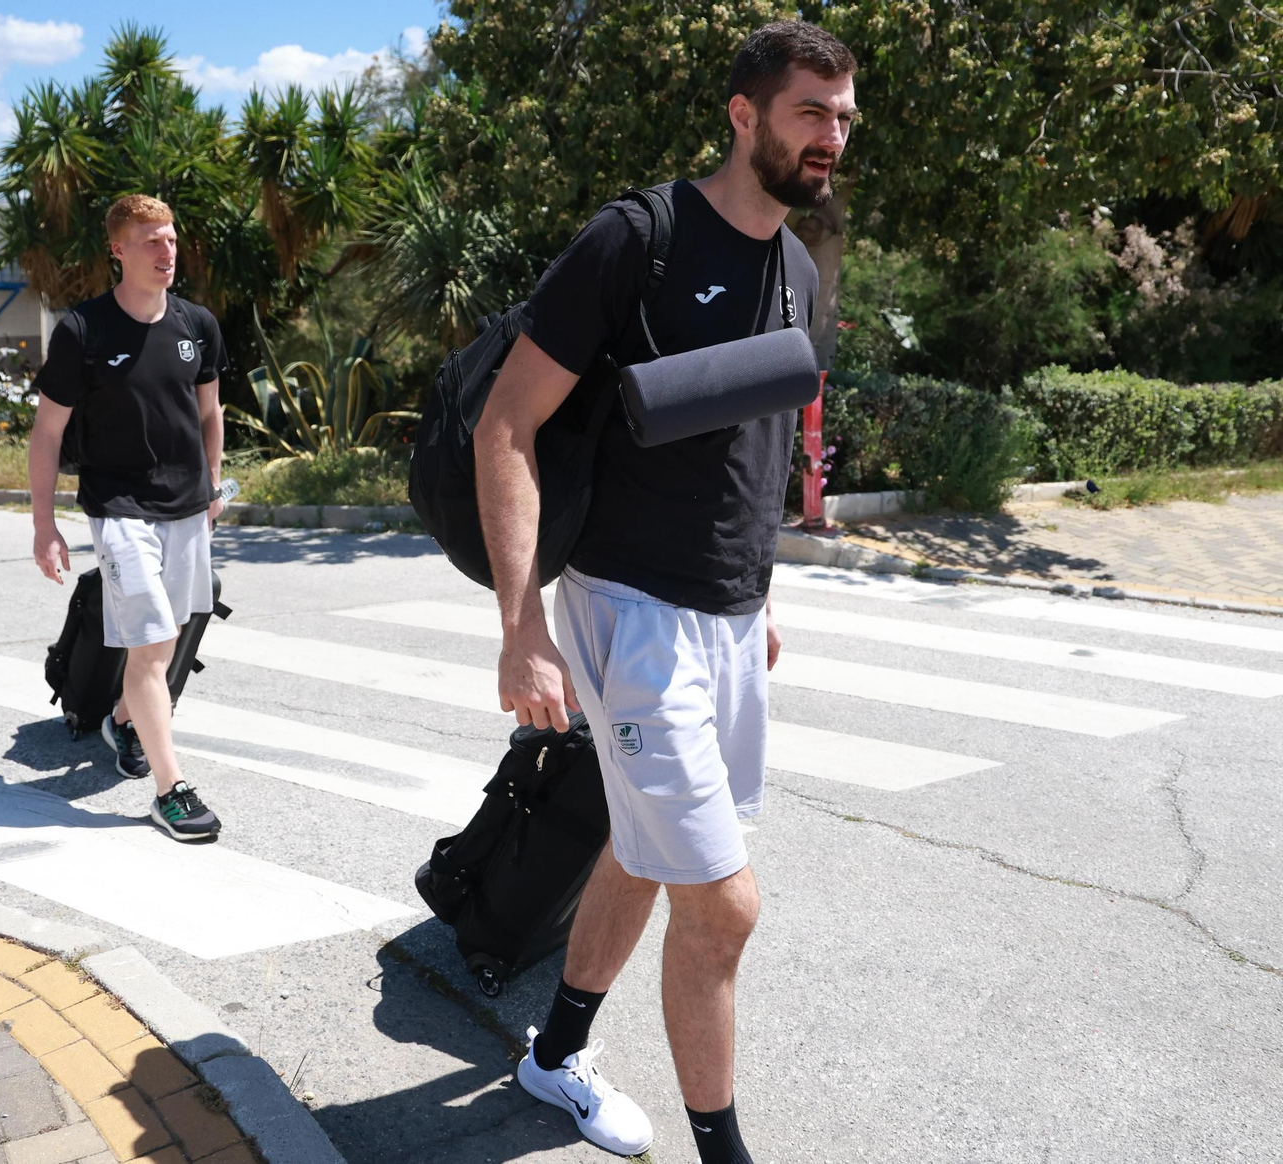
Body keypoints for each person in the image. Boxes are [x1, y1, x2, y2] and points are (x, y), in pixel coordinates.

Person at [474, 22, 858, 1163]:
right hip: (628, 612)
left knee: (647, 853)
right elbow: (507, 425)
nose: (831, 137)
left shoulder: (793, 266)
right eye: (809, 112)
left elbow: (749, 447)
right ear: (743, 115)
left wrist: (760, 594)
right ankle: (722, 1150)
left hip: (730, 620)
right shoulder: (634, 238)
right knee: (724, 903)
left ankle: (552, 1056)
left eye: (842, 118)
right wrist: (519, 626)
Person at [28, 193, 227, 843]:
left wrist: (213, 485)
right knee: (154, 645)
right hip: (118, 509)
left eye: (171, 238)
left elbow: (208, 413)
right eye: (150, 241)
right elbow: (47, 433)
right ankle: (170, 790)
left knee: (164, 637)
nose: (166, 251)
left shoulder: (197, 324)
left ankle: (123, 717)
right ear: (118, 249)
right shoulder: (82, 331)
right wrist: (44, 524)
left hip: (187, 508)